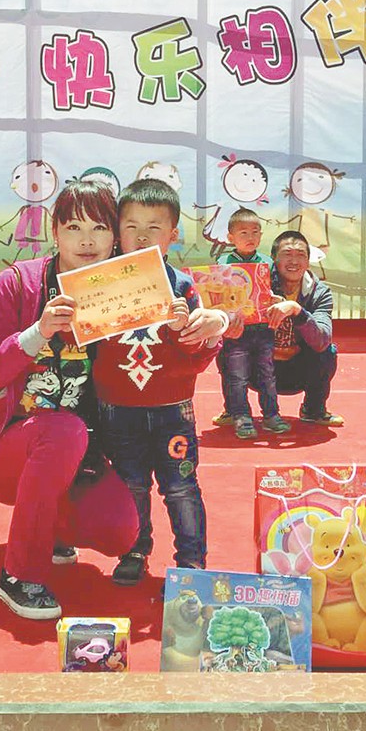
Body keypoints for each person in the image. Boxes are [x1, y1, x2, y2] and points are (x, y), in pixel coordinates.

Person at [0, 179, 138, 621]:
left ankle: (53, 527)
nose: (87, 240)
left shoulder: (123, 292)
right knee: (62, 430)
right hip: (3, 449)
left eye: (99, 228)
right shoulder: (18, 283)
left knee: (120, 531)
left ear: (115, 237)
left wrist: (206, 335)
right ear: (54, 232)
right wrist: (37, 333)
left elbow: (161, 366)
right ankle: (18, 575)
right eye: (73, 227)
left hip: (77, 454)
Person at [94, 178, 227, 587]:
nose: (141, 237)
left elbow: (196, 357)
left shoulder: (184, 287)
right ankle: (134, 550)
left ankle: (192, 562)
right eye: (131, 226)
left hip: (173, 411)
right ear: (117, 231)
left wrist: (184, 331)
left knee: (181, 487)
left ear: (173, 234)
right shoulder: (99, 286)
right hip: (118, 410)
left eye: (154, 228)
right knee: (130, 485)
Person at [214, 229, 342, 427]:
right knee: (227, 348)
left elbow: (321, 340)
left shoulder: (319, 292)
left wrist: (297, 311)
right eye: (287, 254)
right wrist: (230, 327)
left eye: (301, 255)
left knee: (328, 352)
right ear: (273, 259)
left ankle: (314, 410)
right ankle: (235, 410)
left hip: (297, 369)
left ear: (308, 262)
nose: (294, 261)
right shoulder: (254, 285)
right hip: (257, 369)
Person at [216, 208, 290, 439]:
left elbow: (276, 291)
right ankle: (241, 416)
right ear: (230, 237)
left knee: (267, 374)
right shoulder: (223, 263)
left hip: (263, 329)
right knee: (237, 376)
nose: (250, 237)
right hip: (236, 331)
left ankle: (271, 415)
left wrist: (277, 299)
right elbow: (218, 296)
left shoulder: (267, 263)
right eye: (244, 232)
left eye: (255, 232)